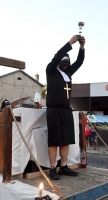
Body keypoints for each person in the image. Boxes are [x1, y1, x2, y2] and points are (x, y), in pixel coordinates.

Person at [46, 35, 85, 180]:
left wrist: (81, 48)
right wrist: (70, 43)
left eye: (67, 62)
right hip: (54, 110)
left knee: (65, 139)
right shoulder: (51, 71)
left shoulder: (68, 73)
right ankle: (52, 168)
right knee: (54, 140)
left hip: (66, 110)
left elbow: (79, 62)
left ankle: (63, 166)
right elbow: (57, 56)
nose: (66, 64)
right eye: (64, 61)